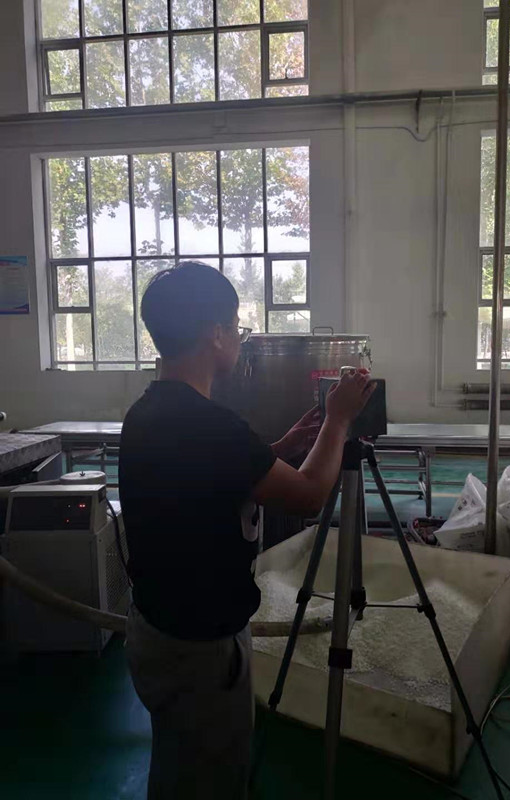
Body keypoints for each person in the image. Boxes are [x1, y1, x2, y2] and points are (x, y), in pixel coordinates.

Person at [119, 261, 375, 800]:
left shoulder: (148, 412)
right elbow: (309, 495)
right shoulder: (210, 425)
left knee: (179, 764)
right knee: (210, 778)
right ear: (215, 334)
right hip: (202, 650)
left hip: (157, 630)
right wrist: (338, 420)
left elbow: (207, 478)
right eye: (236, 326)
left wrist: (278, 449)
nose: (239, 337)